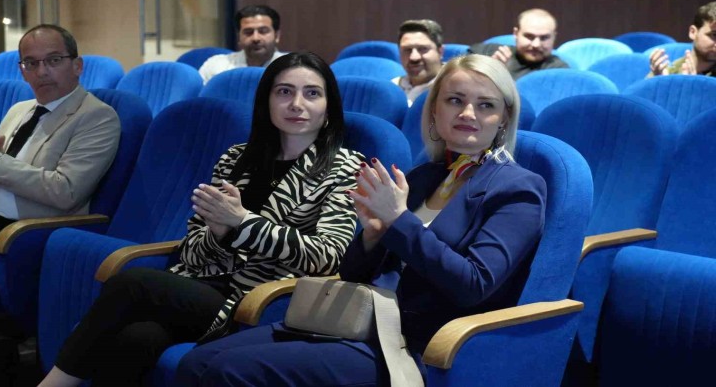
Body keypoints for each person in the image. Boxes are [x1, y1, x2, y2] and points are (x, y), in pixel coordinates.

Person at [173, 54, 547, 387]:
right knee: (197, 361)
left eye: (485, 105)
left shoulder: (518, 188)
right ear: (434, 111)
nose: (467, 114)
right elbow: (353, 273)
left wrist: (399, 220)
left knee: (228, 371)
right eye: (455, 100)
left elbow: (473, 285)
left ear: (504, 118)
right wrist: (372, 235)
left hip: (414, 343)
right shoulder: (423, 178)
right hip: (356, 319)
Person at [37, 51, 364, 386]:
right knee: (138, 339)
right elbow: (191, 250)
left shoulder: (345, 168)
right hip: (200, 286)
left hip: (261, 301)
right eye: (284, 92)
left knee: (131, 283)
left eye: (312, 93)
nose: (296, 104)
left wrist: (242, 224)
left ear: (329, 108)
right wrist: (218, 235)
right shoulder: (237, 159)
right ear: (266, 102)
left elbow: (328, 256)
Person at [0, 24, 120, 275]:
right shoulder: (19, 110)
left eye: (54, 60)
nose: (41, 72)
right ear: (23, 72)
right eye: (31, 63)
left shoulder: (97, 117)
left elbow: (66, 192)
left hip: (26, 234)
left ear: (77, 66)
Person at [468, 8, 568, 80]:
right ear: (516, 34)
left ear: (554, 37)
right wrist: (489, 69)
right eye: (529, 36)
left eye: (544, 38)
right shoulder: (487, 51)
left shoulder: (560, 71)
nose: (536, 44)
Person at [198, 5, 285, 83]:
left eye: (263, 31)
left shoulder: (290, 67)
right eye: (248, 32)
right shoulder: (217, 66)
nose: (256, 38)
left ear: (277, 36)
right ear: (239, 37)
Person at [648, 1, 716, 77]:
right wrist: (661, 81)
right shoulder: (669, 70)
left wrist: (694, 83)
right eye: (714, 35)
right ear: (693, 32)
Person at [392, 19, 445, 105]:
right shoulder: (393, 87)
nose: (414, 57)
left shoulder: (453, 89)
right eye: (407, 50)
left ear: (440, 52)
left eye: (422, 49)